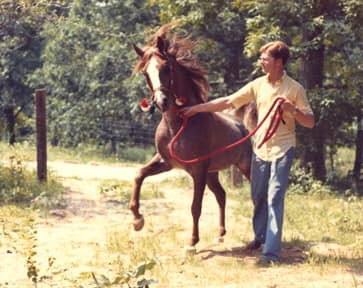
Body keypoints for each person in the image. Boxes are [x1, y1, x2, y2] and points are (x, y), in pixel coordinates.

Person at [180, 40, 315, 263]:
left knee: (275, 196)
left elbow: (310, 122)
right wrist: (195, 109)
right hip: (261, 148)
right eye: (261, 58)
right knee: (258, 195)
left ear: (279, 62)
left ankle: (270, 253)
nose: (261, 62)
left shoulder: (295, 89)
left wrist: (292, 110)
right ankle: (260, 236)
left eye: (265, 58)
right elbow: (228, 101)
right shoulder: (258, 84)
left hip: (283, 148)